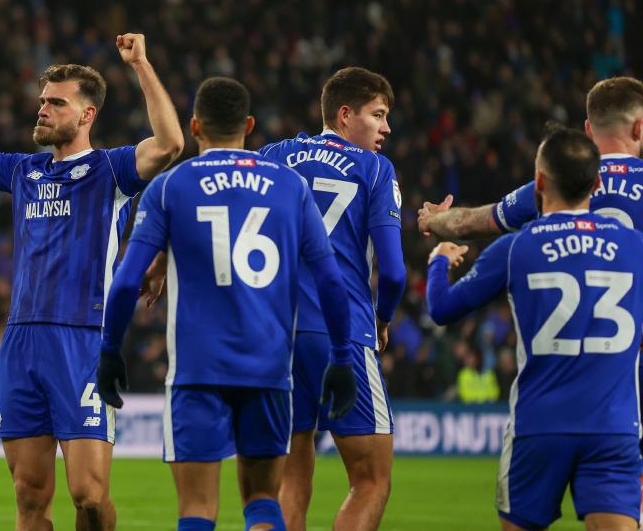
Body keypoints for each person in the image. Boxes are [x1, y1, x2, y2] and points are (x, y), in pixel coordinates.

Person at [0, 35, 183, 530]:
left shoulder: (111, 170)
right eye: (43, 101)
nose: (43, 109)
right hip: (23, 340)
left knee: (88, 494)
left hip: (83, 339)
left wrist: (141, 64)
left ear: (87, 115)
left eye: (56, 103)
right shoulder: (24, 171)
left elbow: (170, 143)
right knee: (28, 495)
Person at [96, 77, 357, 531]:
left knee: (197, 510)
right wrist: (342, 357)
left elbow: (124, 284)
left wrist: (109, 351)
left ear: (195, 126)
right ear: (249, 125)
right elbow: (332, 282)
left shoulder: (170, 187)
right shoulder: (291, 186)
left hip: (198, 372)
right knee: (263, 503)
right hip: (270, 370)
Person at [426, 126, 643, 530]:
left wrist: (439, 260)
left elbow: (441, 309)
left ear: (540, 182)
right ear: (596, 184)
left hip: (538, 426)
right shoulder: (635, 247)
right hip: (613, 428)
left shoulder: (515, 248)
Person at [259, 67, 406, 530]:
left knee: (289, 478)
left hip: (276, 335)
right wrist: (383, 318)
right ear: (345, 115)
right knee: (371, 480)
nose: (386, 128)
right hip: (341, 330)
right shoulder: (375, 169)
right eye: (377, 115)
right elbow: (394, 273)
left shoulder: (273, 155)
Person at [418, 77, 643, 238]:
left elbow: (470, 223)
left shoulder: (556, 182)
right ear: (639, 128)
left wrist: (434, 219)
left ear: (588, 129)